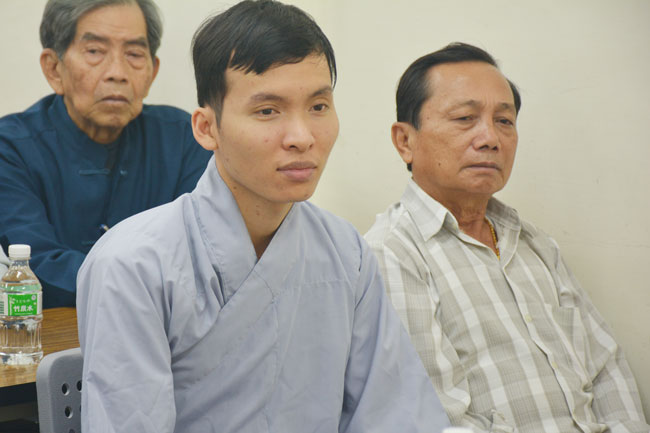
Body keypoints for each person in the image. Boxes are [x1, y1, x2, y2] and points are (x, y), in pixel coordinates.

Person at [76, 2, 450, 432]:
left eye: (318, 106)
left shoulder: (347, 253)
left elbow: (395, 415)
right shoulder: (133, 265)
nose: (302, 137)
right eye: (268, 111)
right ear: (206, 128)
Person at [365, 42, 649, 433]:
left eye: (504, 120)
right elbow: (435, 419)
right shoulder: (392, 253)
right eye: (465, 118)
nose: (490, 138)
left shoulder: (535, 244)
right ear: (405, 141)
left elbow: (607, 371)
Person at [0, 0, 211, 308]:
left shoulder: (186, 139)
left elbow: (203, 257)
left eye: (134, 54)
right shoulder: (11, 148)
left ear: (152, 72)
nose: (117, 73)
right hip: (52, 331)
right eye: (95, 51)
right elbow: (34, 264)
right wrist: (146, 282)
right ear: (54, 68)